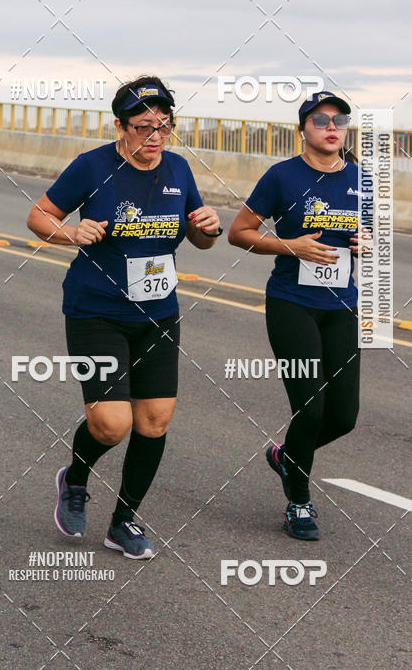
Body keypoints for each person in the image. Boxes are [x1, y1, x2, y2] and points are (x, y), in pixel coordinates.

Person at [27, 76, 222, 558]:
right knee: (111, 425)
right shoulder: (92, 166)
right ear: (120, 126)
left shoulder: (178, 168)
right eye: (143, 127)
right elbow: (38, 216)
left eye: (164, 126)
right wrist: (70, 233)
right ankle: (74, 478)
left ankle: (123, 521)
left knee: (154, 421)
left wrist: (209, 228)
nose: (155, 137)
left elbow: (200, 237)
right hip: (97, 311)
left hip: (158, 313)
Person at [228, 91, 371, 541]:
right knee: (310, 408)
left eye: (340, 120)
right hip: (292, 304)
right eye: (321, 119)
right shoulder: (282, 177)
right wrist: (291, 245)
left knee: (343, 416)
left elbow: (367, 234)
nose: (332, 127)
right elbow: (239, 233)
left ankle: (285, 456)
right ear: (303, 129)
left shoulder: (360, 179)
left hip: (340, 305)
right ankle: (299, 502)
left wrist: (366, 242)